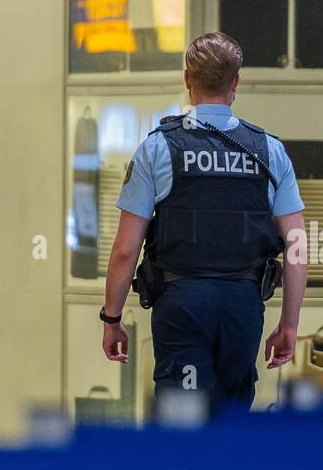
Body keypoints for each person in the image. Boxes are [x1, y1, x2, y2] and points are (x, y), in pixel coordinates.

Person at [100, 32, 307, 410]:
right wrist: (289, 325)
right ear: (236, 82)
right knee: (232, 423)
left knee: (183, 420)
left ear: (186, 79)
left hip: (182, 304)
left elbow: (126, 250)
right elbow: (296, 248)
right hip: (242, 305)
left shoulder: (158, 147)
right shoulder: (269, 151)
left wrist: (111, 318)